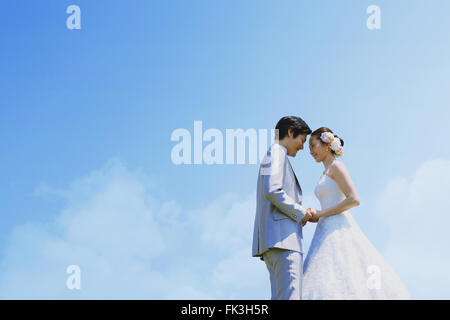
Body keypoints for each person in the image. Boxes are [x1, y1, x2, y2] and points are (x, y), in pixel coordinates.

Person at [302, 127, 411, 299]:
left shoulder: (337, 167)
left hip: (338, 227)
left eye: (313, 145)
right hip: (324, 229)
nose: (310, 151)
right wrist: (316, 215)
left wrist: (321, 214)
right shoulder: (324, 172)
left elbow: (353, 199)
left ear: (325, 144)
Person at [252, 116, 314, 300]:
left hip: (274, 242)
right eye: (302, 140)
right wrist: (301, 212)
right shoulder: (277, 152)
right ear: (290, 132)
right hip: (284, 241)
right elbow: (272, 190)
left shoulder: (273, 154)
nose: (302, 147)